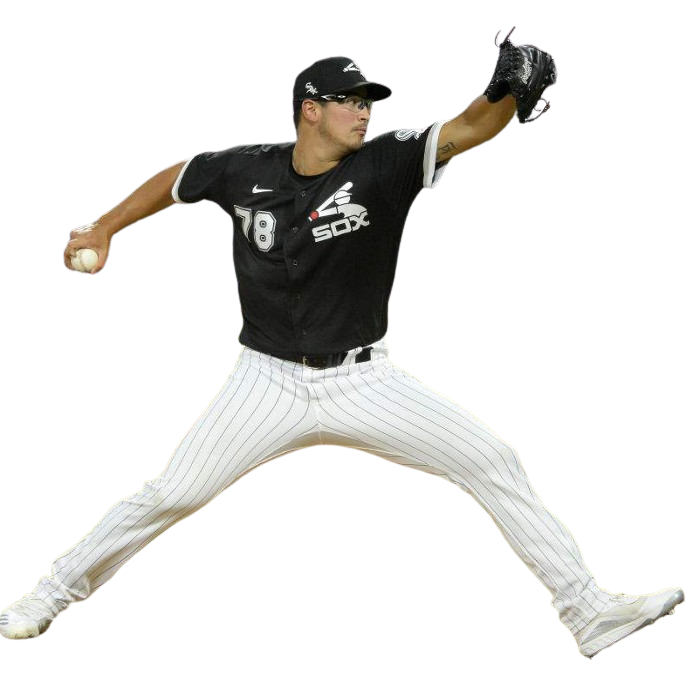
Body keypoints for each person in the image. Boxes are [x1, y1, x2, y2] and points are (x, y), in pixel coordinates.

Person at [1, 47, 684, 656]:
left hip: (364, 381)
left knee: (493, 460)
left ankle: (587, 611)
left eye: (367, 102)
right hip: (264, 383)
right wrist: (105, 226)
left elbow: (471, 127)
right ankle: (52, 593)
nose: (364, 112)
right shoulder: (244, 167)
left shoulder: (385, 161)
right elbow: (180, 177)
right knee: (172, 494)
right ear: (311, 109)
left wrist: (503, 93)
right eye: (350, 101)